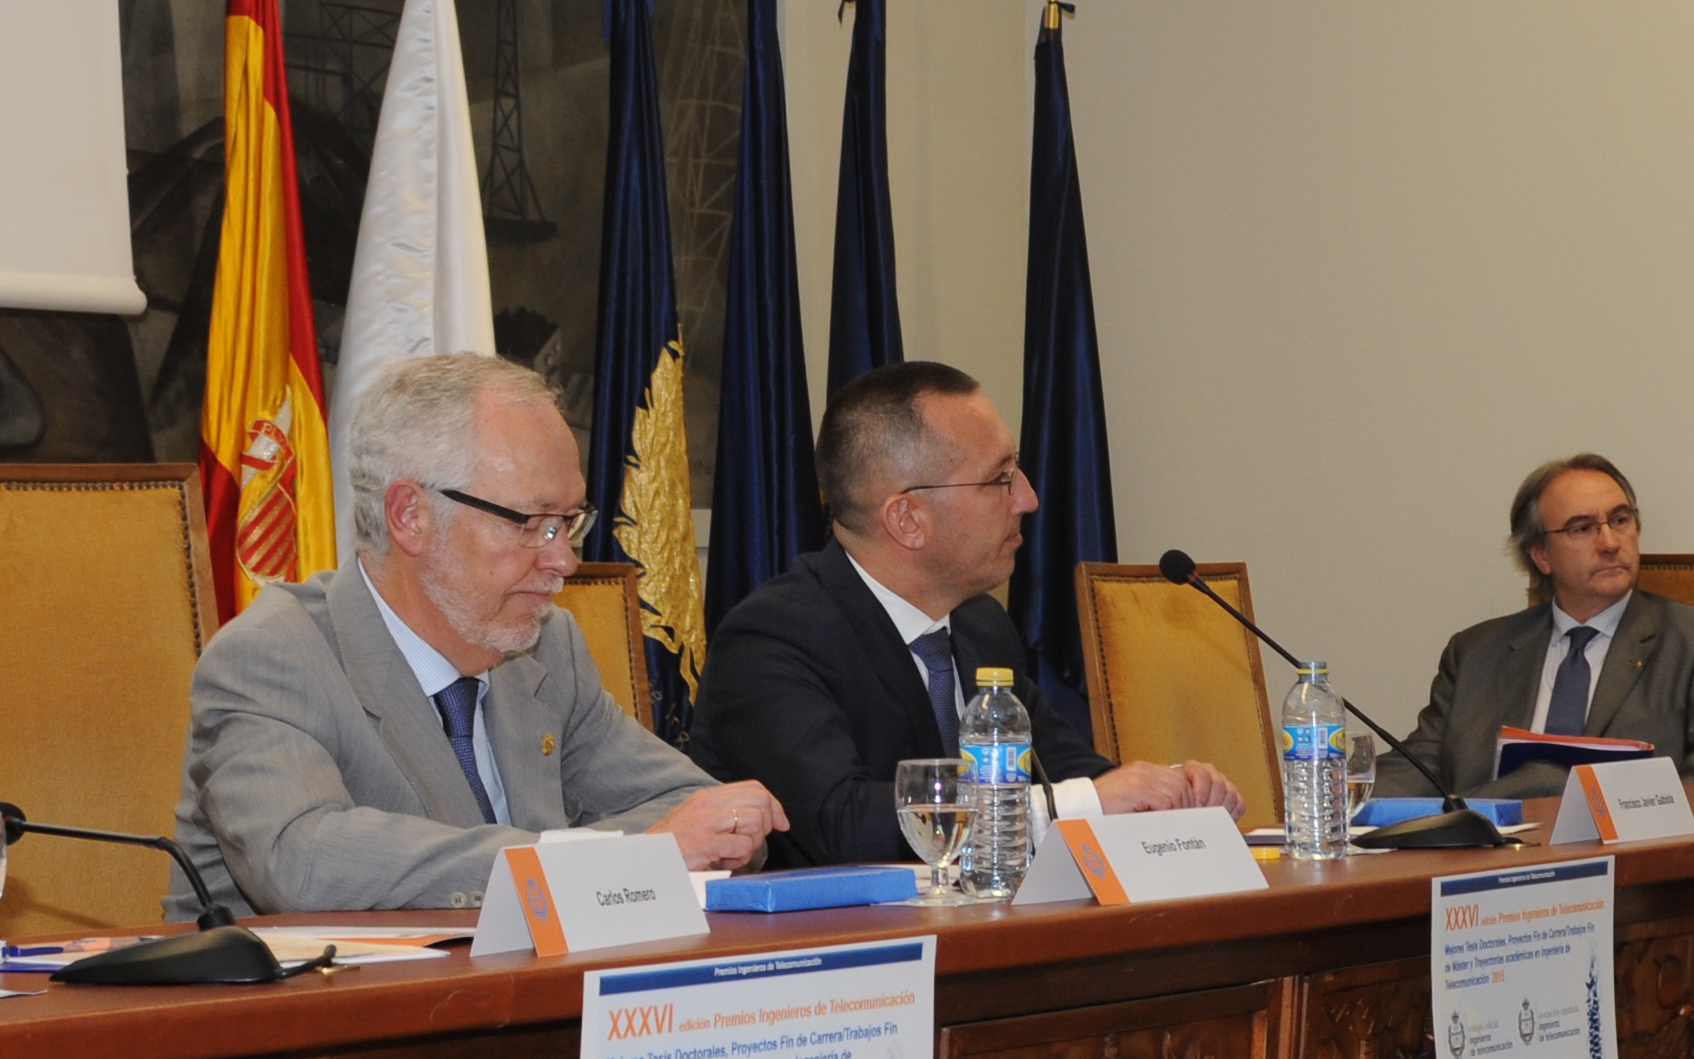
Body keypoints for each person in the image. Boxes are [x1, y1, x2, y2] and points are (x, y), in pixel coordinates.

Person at [176, 353, 783, 915]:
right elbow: (303, 862)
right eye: (532, 522)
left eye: (568, 522)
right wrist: (617, 861)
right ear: (411, 515)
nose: (565, 560)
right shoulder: (274, 658)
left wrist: (649, 849)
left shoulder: (547, 648)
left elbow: (711, 818)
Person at [694, 361, 1242, 868]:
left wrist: (1170, 792)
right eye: (1000, 479)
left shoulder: (980, 624)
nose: (1027, 498)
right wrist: (1084, 803)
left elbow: (1069, 773)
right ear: (908, 519)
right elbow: (845, 824)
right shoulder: (772, 640)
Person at [1377, 453, 1694, 797]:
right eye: (1582, 528)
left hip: (1631, 850)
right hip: (1490, 849)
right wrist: (1345, 790)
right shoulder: (1476, 652)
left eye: (1620, 520)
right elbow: (1420, 766)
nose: (1610, 542)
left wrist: (1624, 817)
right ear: (1541, 555)